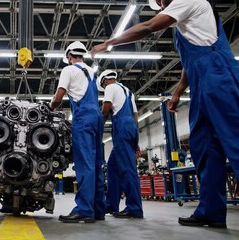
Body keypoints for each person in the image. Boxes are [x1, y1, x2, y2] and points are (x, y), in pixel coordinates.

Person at [91, 0, 239, 228]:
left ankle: (210, 211)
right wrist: (179, 91)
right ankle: (211, 211)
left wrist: (109, 43)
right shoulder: (185, 24)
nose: (159, 5)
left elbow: (148, 26)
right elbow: (189, 62)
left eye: (160, 1)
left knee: (234, 141)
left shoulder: (188, 0)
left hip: (218, 75)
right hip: (201, 83)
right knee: (204, 148)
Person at [50, 41, 106, 223]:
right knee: (96, 163)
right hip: (97, 117)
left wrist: (50, 107)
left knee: (85, 164)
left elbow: (59, 97)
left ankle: (84, 209)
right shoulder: (91, 71)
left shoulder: (69, 70)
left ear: (69, 56)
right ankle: (98, 209)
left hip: (83, 118)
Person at [98, 70, 143, 218]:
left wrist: (97, 129)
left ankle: (134, 208)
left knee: (127, 169)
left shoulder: (110, 88)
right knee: (112, 167)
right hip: (131, 128)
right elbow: (136, 115)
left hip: (122, 128)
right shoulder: (128, 91)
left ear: (105, 81)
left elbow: (105, 109)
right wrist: (135, 140)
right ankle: (111, 205)